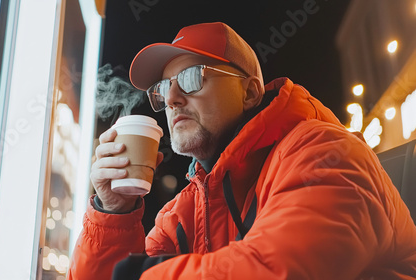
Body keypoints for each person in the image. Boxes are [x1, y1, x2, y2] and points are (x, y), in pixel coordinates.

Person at [67, 22, 416, 279]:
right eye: (163, 88)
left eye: (191, 78)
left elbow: (277, 270)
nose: (171, 99)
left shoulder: (325, 153)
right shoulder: (187, 208)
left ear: (249, 93)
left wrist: (139, 275)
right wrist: (112, 212)